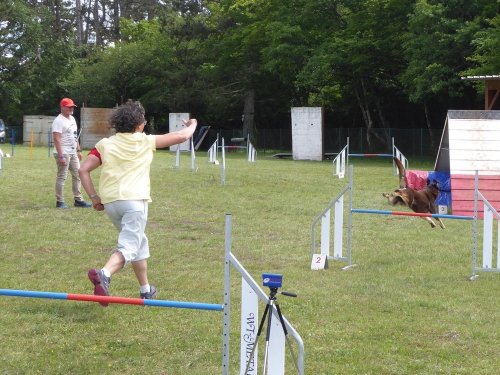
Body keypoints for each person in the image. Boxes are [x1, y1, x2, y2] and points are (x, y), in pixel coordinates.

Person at [78, 100, 197, 306]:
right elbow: (182, 136)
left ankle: (146, 290)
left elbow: (83, 170)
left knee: (138, 243)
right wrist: (193, 124)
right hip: (134, 201)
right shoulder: (145, 140)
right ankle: (104, 274)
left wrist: (94, 198)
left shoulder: (105, 144)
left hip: (111, 203)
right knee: (129, 246)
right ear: (139, 125)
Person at [52, 97, 92, 209]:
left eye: (72, 107)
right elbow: (57, 139)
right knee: (62, 177)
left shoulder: (72, 119)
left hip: (73, 152)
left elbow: (75, 136)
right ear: (62, 107)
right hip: (63, 153)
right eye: (69, 107)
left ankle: (78, 200)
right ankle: (60, 202)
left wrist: (78, 150)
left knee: (78, 175)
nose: (71, 108)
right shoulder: (58, 121)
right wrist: (61, 156)